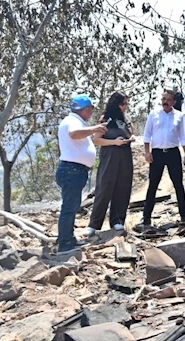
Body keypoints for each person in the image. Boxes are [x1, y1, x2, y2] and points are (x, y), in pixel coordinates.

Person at [55, 95, 111, 253]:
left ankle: (69, 238)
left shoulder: (76, 121)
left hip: (74, 170)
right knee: (69, 207)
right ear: (86, 109)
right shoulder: (73, 122)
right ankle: (64, 244)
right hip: (72, 170)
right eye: (91, 109)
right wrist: (94, 129)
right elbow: (74, 134)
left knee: (71, 206)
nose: (92, 112)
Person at [81, 91, 135, 237]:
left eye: (126, 104)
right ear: (115, 104)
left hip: (125, 154)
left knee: (123, 186)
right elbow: (96, 140)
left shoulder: (127, 118)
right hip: (110, 154)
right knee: (104, 187)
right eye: (123, 104)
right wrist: (114, 142)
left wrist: (130, 138)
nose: (125, 107)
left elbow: (130, 132)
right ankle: (94, 224)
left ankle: (117, 220)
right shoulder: (106, 119)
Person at [140, 90, 185, 228]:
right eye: (164, 98)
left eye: (168, 99)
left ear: (174, 102)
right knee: (153, 185)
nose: (165, 101)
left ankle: (184, 214)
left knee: (178, 184)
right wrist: (147, 152)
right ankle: (146, 218)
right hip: (157, 154)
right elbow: (147, 135)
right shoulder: (154, 114)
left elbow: (183, 136)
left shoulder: (179, 116)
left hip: (173, 153)